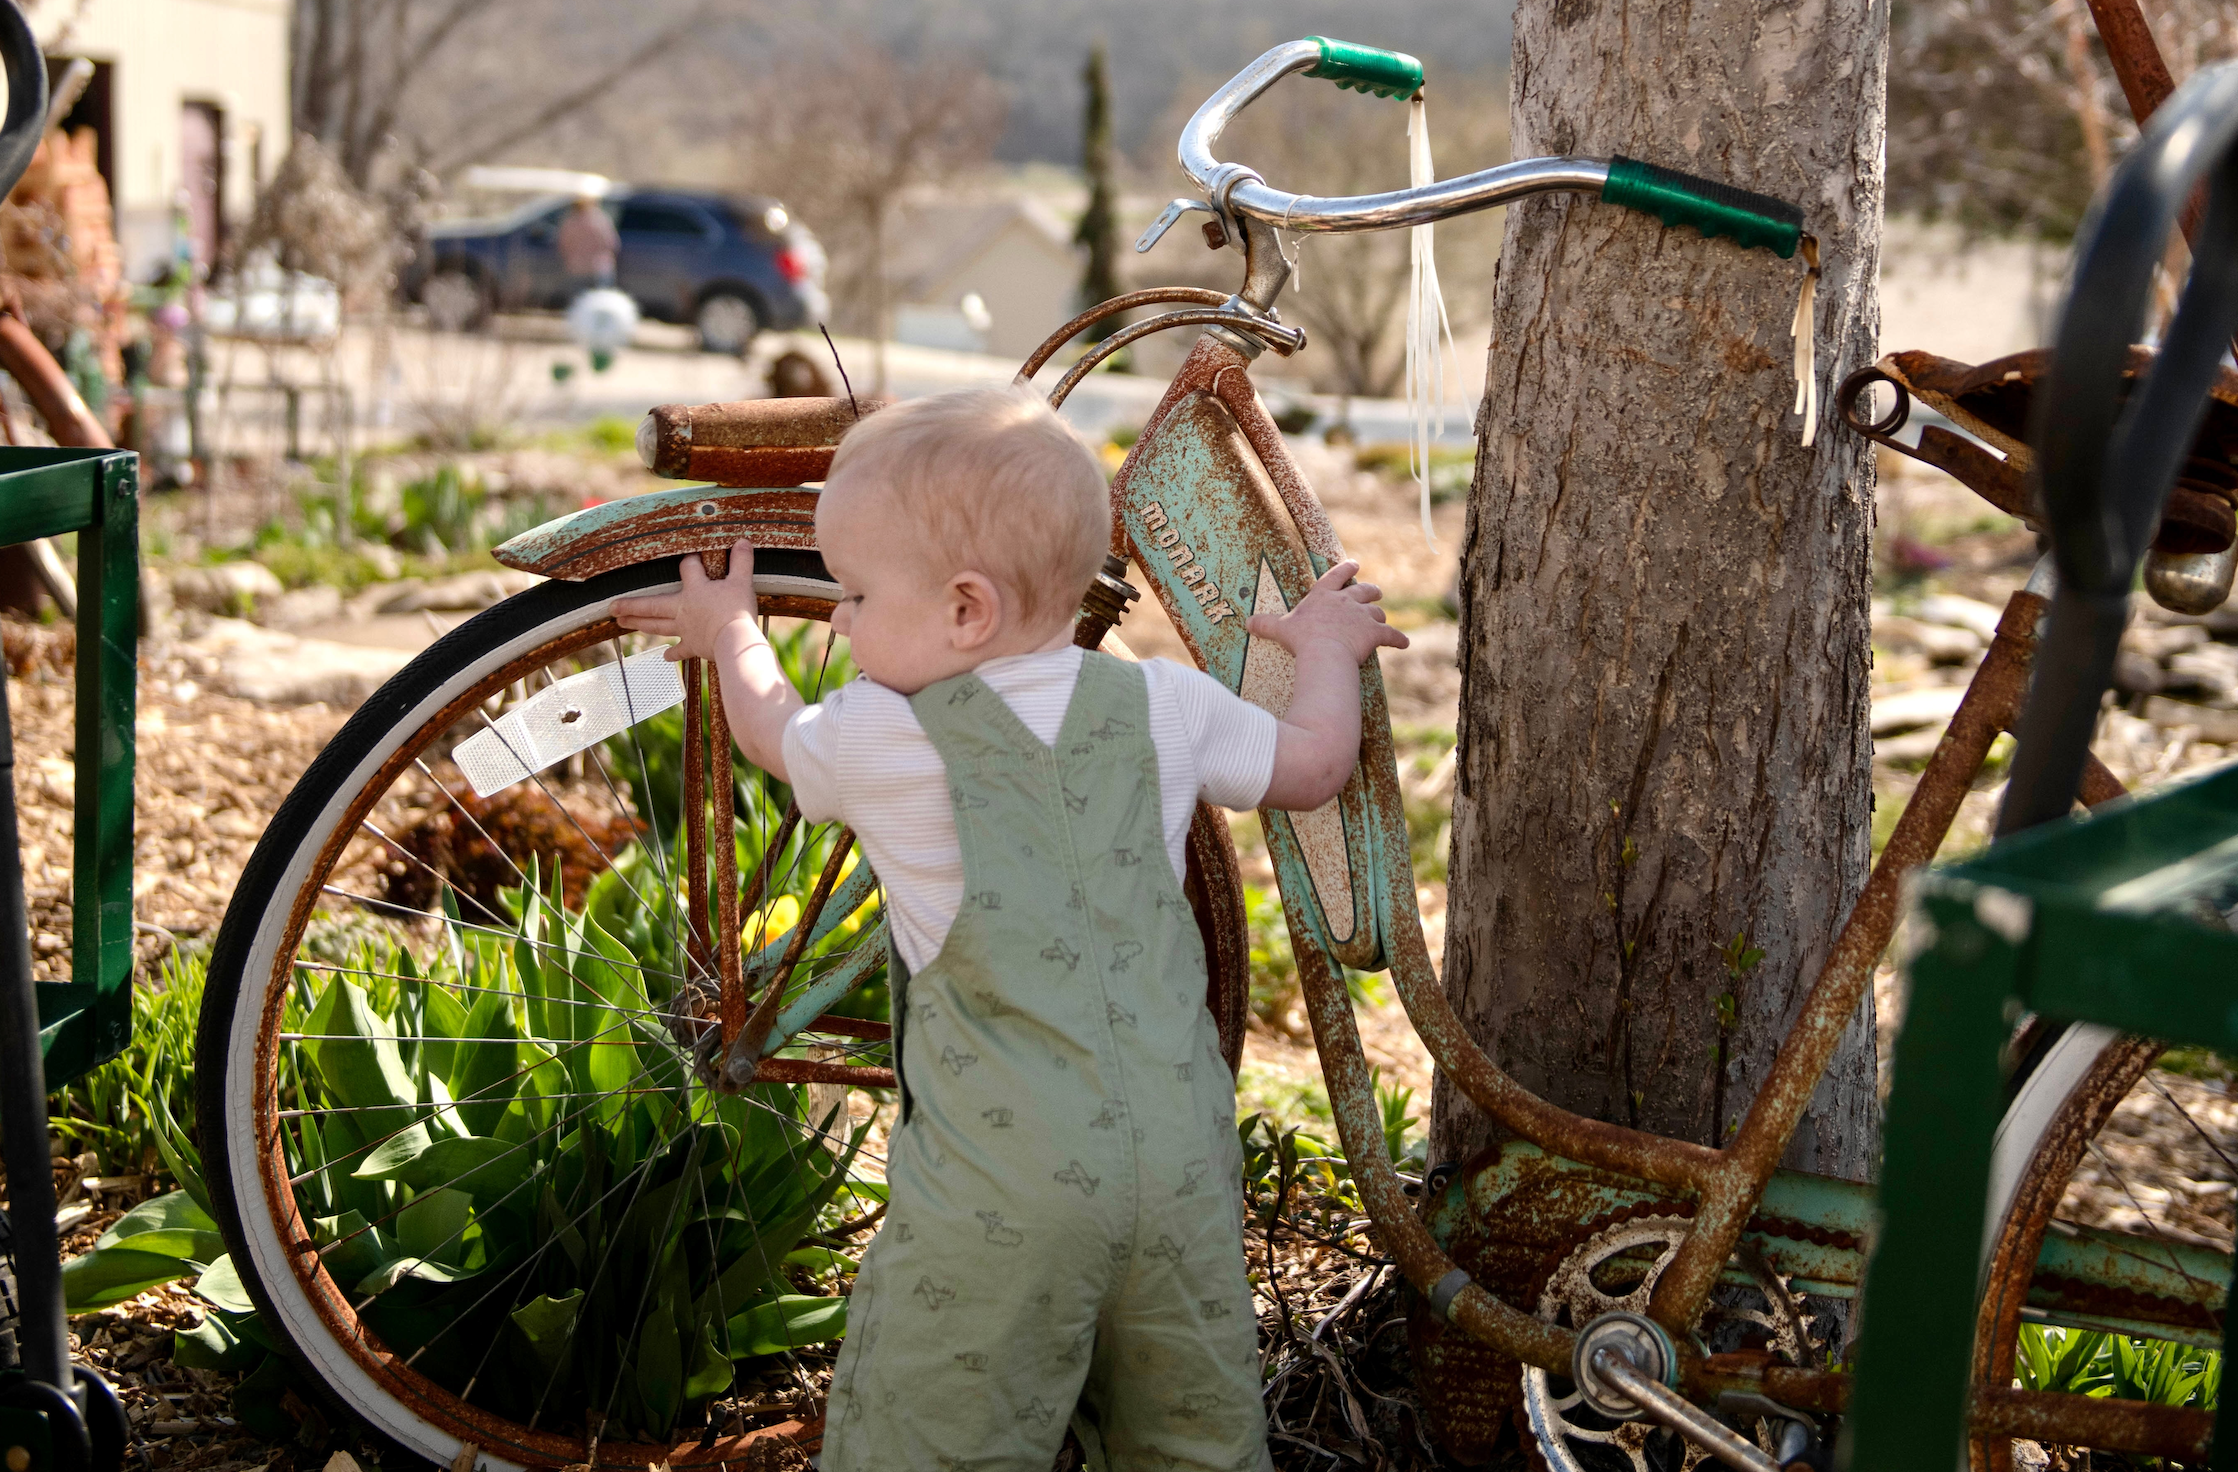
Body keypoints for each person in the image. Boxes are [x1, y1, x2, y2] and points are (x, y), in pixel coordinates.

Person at [613, 385, 1406, 1471]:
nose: (838, 617)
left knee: (937, 1434)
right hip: (1181, 1171)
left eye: (853, 592)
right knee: (1193, 1439)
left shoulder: (890, 737)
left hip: (1004, 1194)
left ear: (964, 609)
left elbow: (772, 731)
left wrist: (732, 630)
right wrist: (1324, 646)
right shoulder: (1163, 704)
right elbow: (1315, 765)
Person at [556, 192, 618, 288]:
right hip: (599, 267)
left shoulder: (570, 222)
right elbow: (611, 243)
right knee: (600, 299)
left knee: (579, 301)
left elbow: (563, 245)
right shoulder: (601, 220)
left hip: (577, 269)